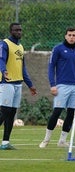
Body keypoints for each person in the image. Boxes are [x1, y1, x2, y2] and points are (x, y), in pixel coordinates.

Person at [39, 27, 75, 148]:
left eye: (74, 35)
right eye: (69, 35)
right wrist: (53, 84)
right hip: (62, 85)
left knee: (71, 113)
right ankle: (46, 139)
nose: (71, 37)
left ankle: (62, 141)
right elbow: (51, 67)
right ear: (65, 36)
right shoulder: (58, 49)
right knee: (57, 111)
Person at [0, 22, 37, 150]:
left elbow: (23, 68)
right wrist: (3, 70)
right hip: (6, 83)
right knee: (4, 112)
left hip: (18, 84)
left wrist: (30, 85)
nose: (19, 32)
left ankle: (5, 143)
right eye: (16, 30)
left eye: (20, 30)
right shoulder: (5, 44)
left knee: (12, 113)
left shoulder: (20, 47)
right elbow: (1, 59)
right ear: (11, 31)